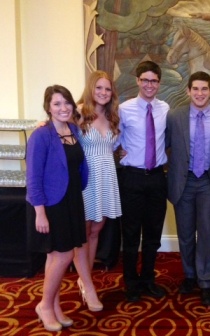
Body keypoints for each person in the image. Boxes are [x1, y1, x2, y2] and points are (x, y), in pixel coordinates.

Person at [26, 85, 102, 332]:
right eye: (56, 104)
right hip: (51, 203)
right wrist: (39, 212)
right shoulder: (41, 135)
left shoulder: (73, 130)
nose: (63, 108)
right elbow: (33, 177)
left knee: (55, 257)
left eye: (66, 103)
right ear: (48, 107)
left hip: (72, 200)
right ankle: (45, 305)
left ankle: (55, 306)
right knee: (63, 255)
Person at [165, 71, 210, 306]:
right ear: (188, 91)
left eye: (205, 89)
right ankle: (190, 275)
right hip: (184, 181)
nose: (200, 93)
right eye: (196, 89)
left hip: (208, 183)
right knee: (185, 233)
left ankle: (206, 281)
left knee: (206, 232)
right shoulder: (174, 117)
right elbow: (160, 145)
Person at [117, 61, 169, 302]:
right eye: (145, 80)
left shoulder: (166, 109)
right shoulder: (123, 109)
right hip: (132, 179)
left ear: (159, 83)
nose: (150, 85)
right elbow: (110, 136)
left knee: (153, 235)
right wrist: (117, 151)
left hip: (158, 178)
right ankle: (131, 282)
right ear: (137, 81)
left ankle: (148, 279)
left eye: (154, 81)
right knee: (130, 235)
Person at [76, 70, 122, 272]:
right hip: (86, 178)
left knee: (97, 230)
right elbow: (57, 129)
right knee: (84, 231)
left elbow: (112, 145)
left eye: (108, 89)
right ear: (91, 88)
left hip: (106, 176)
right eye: (99, 87)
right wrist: (44, 124)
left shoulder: (112, 116)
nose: (104, 92)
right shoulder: (79, 112)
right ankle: (84, 279)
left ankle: (85, 278)